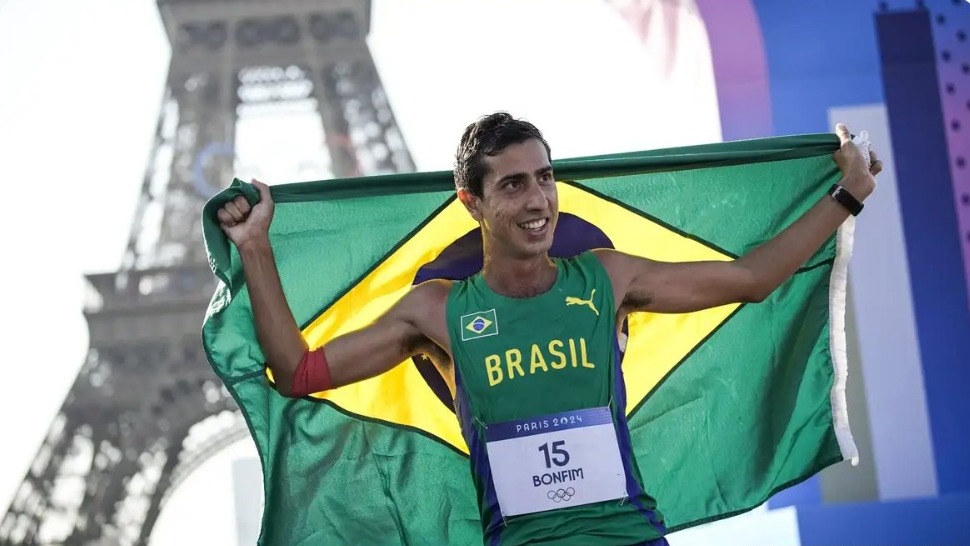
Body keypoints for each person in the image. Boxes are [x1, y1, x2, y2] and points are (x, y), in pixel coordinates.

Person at [216, 113, 882, 546]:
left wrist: (847, 195)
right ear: (470, 201)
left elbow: (750, 279)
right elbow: (297, 373)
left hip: (628, 535)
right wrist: (255, 247)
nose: (537, 200)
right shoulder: (437, 310)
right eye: (512, 186)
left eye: (545, 178)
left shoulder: (606, 278)